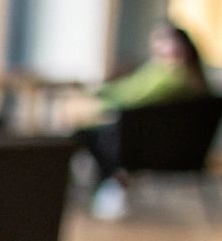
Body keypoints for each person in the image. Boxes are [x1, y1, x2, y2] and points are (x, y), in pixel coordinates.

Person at [77, 23, 212, 219]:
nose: (159, 45)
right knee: (95, 132)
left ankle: (108, 182)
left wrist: (95, 93)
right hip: (178, 150)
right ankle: (110, 183)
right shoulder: (193, 78)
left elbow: (130, 98)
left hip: (147, 147)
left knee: (87, 134)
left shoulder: (168, 77)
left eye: (165, 40)